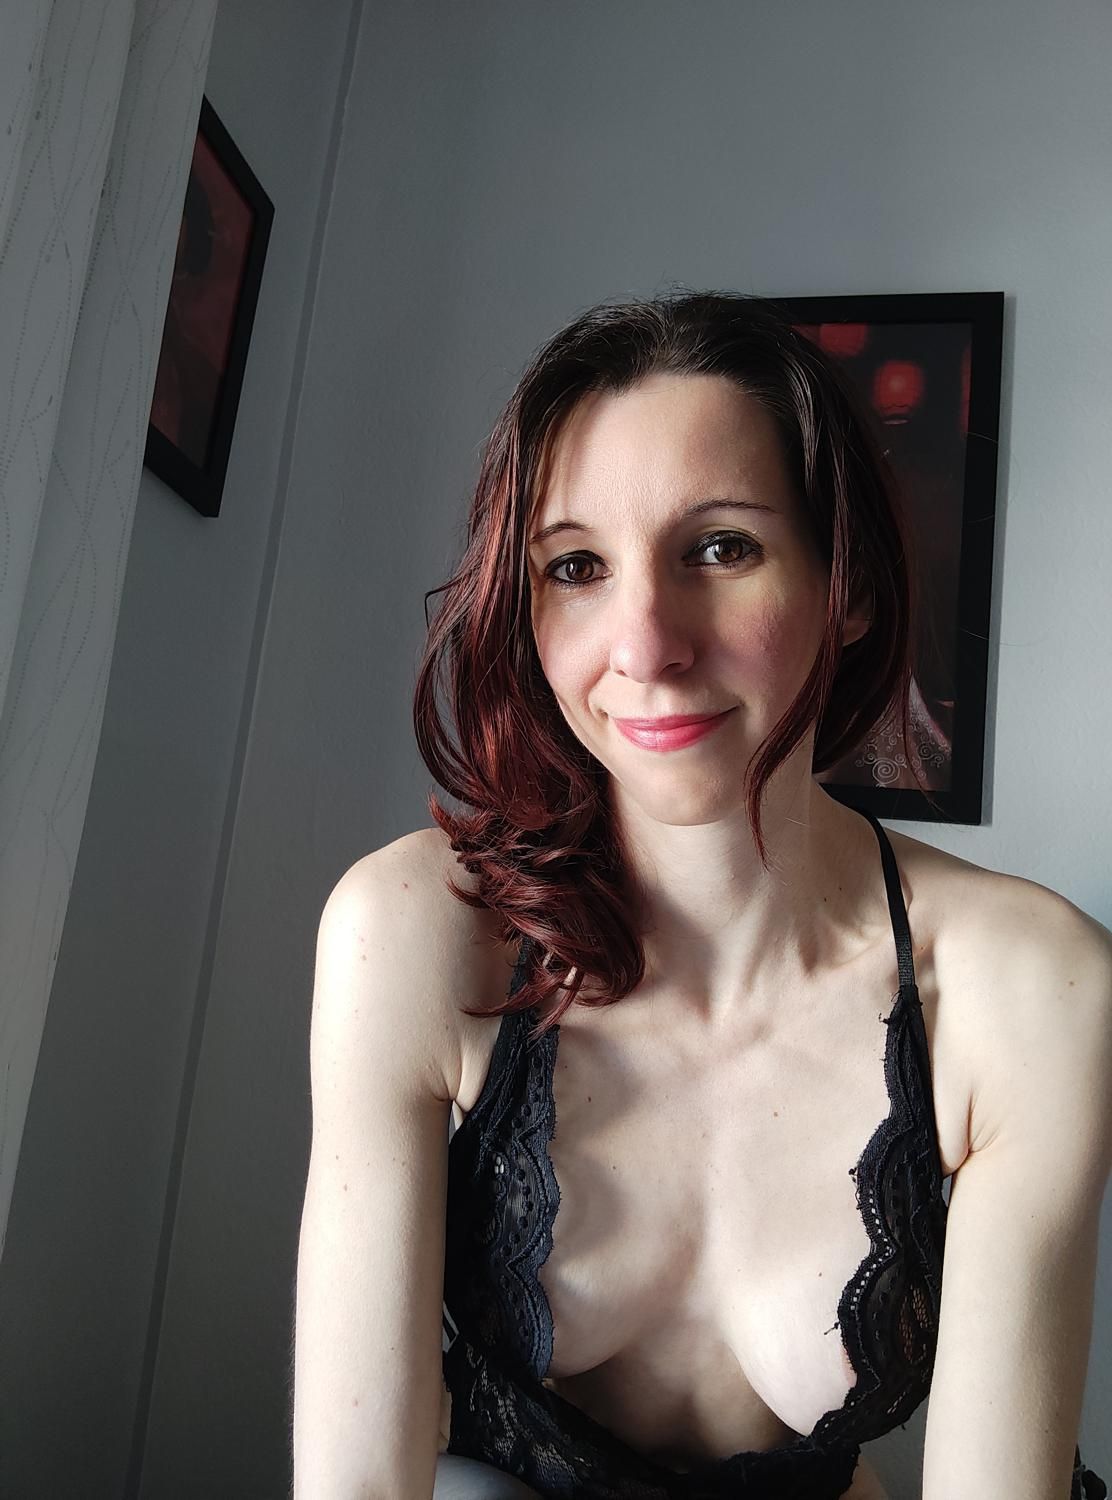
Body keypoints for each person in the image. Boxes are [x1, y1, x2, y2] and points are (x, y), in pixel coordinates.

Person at [291, 291, 1111, 1500]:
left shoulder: (1030, 987)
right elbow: (358, 1482)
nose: (644, 645)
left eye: (719, 549)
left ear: (850, 586)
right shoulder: (416, 932)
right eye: (575, 567)